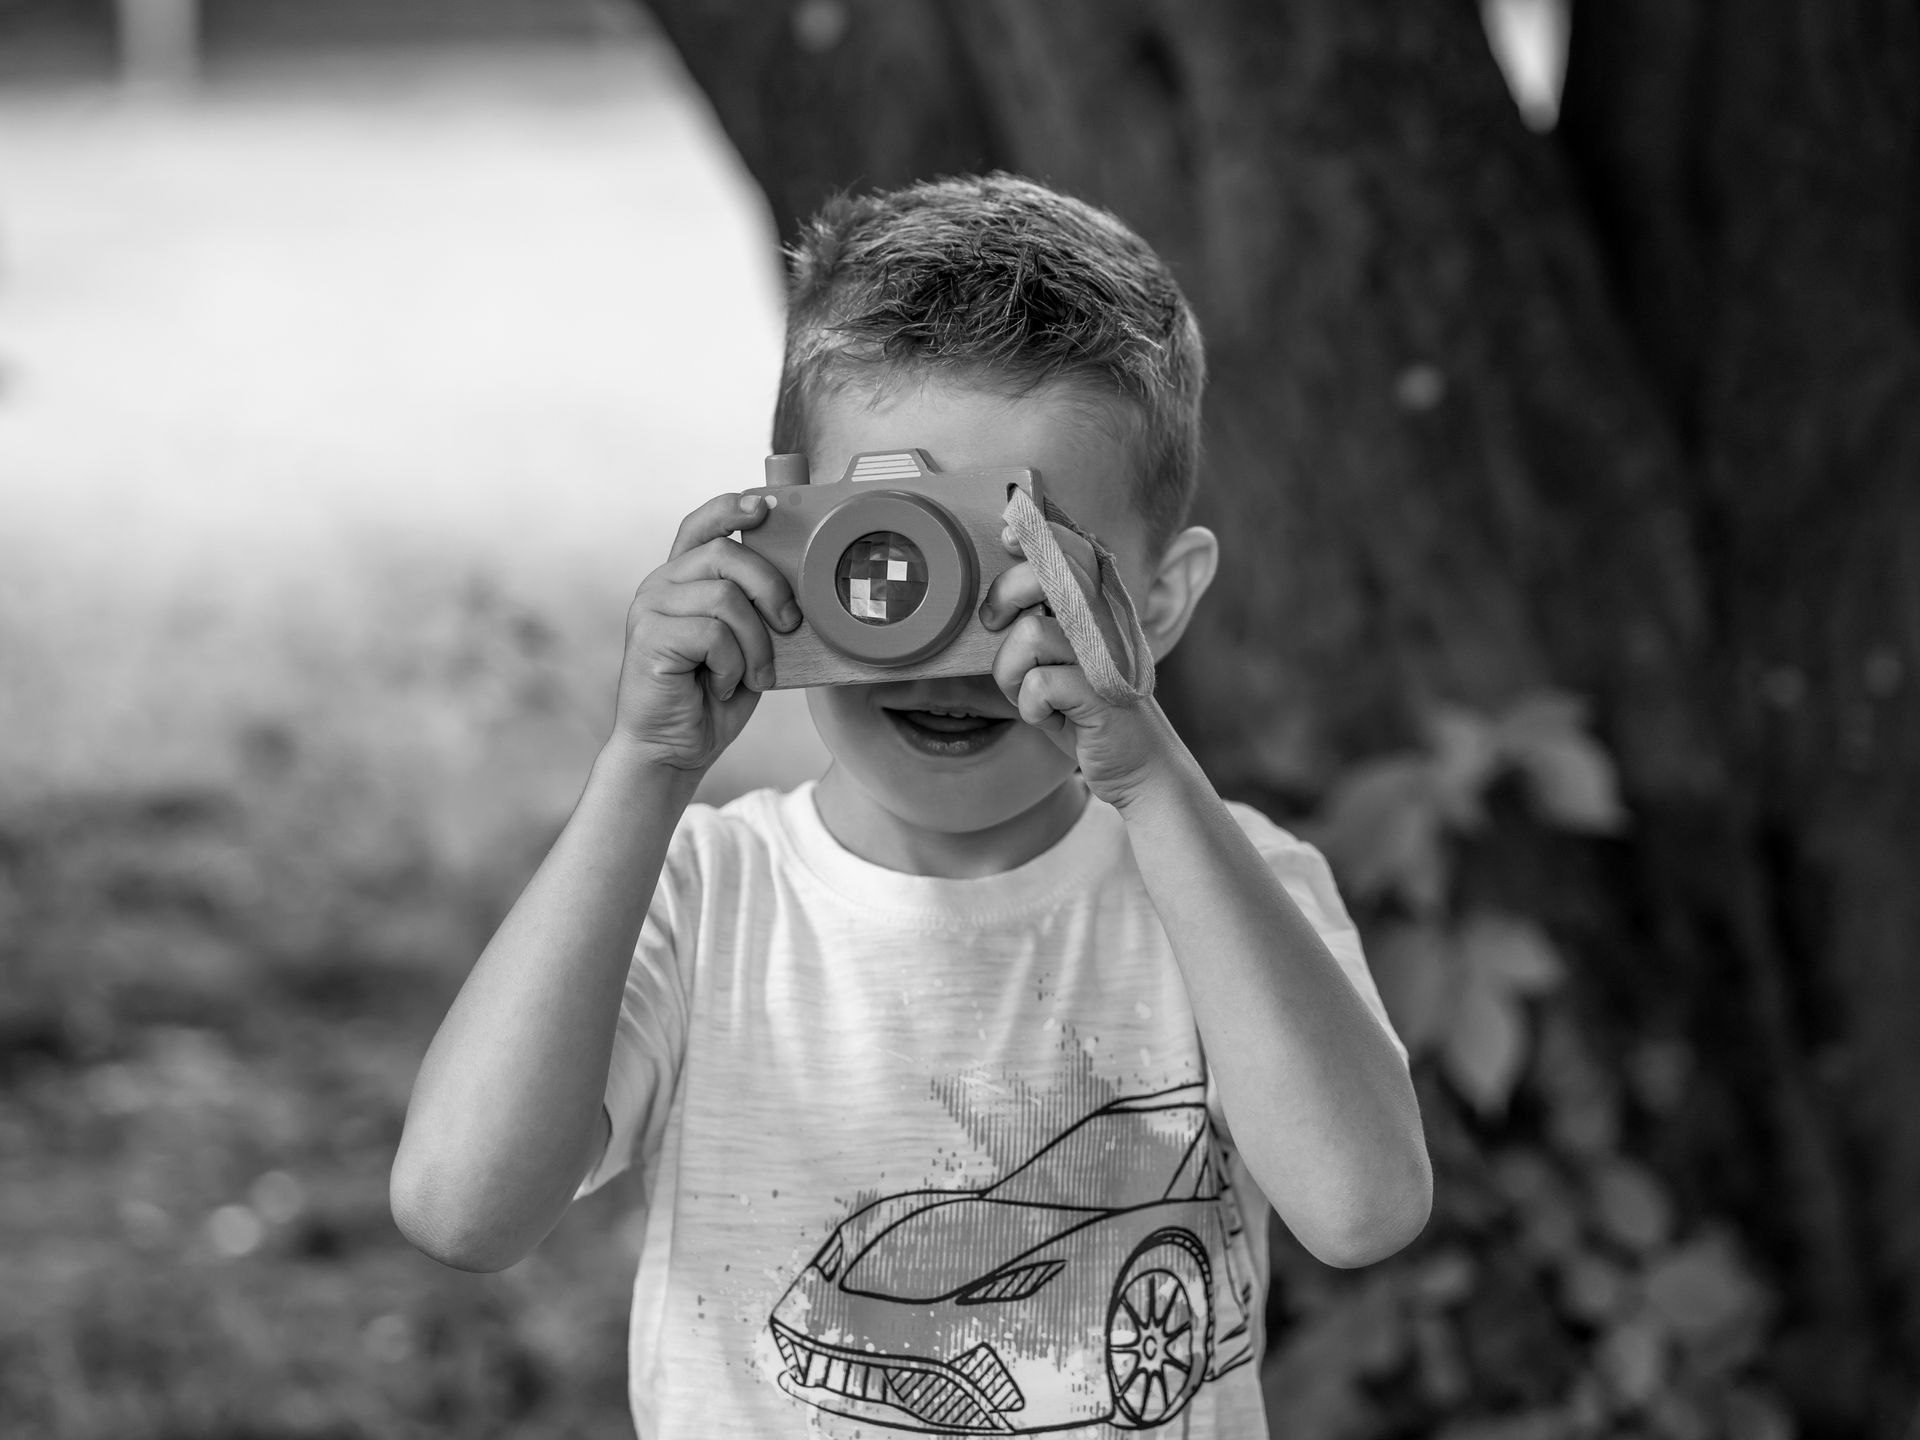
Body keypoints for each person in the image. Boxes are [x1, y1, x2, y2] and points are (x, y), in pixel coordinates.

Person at [392, 173, 1430, 1439]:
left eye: (1026, 570)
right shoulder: (704, 898)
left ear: (1158, 601)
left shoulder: (1231, 884)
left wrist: (1153, 780)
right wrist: (642, 770)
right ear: (780, 549)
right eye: (884, 560)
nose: (949, 651)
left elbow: (1362, 1207)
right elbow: (460, 1208)